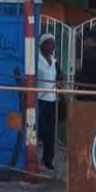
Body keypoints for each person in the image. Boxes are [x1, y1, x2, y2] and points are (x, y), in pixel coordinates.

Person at [36, 33, 60, 172]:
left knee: (50, 132)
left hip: (52, 100)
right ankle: (34, 158)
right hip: (40, 99)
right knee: (40, 129)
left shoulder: (55, 61)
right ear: (43, 45)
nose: (53, 46)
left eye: (53, 43)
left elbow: (59, 77)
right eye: (50, 43)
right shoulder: (37, 60)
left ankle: (47, 159)